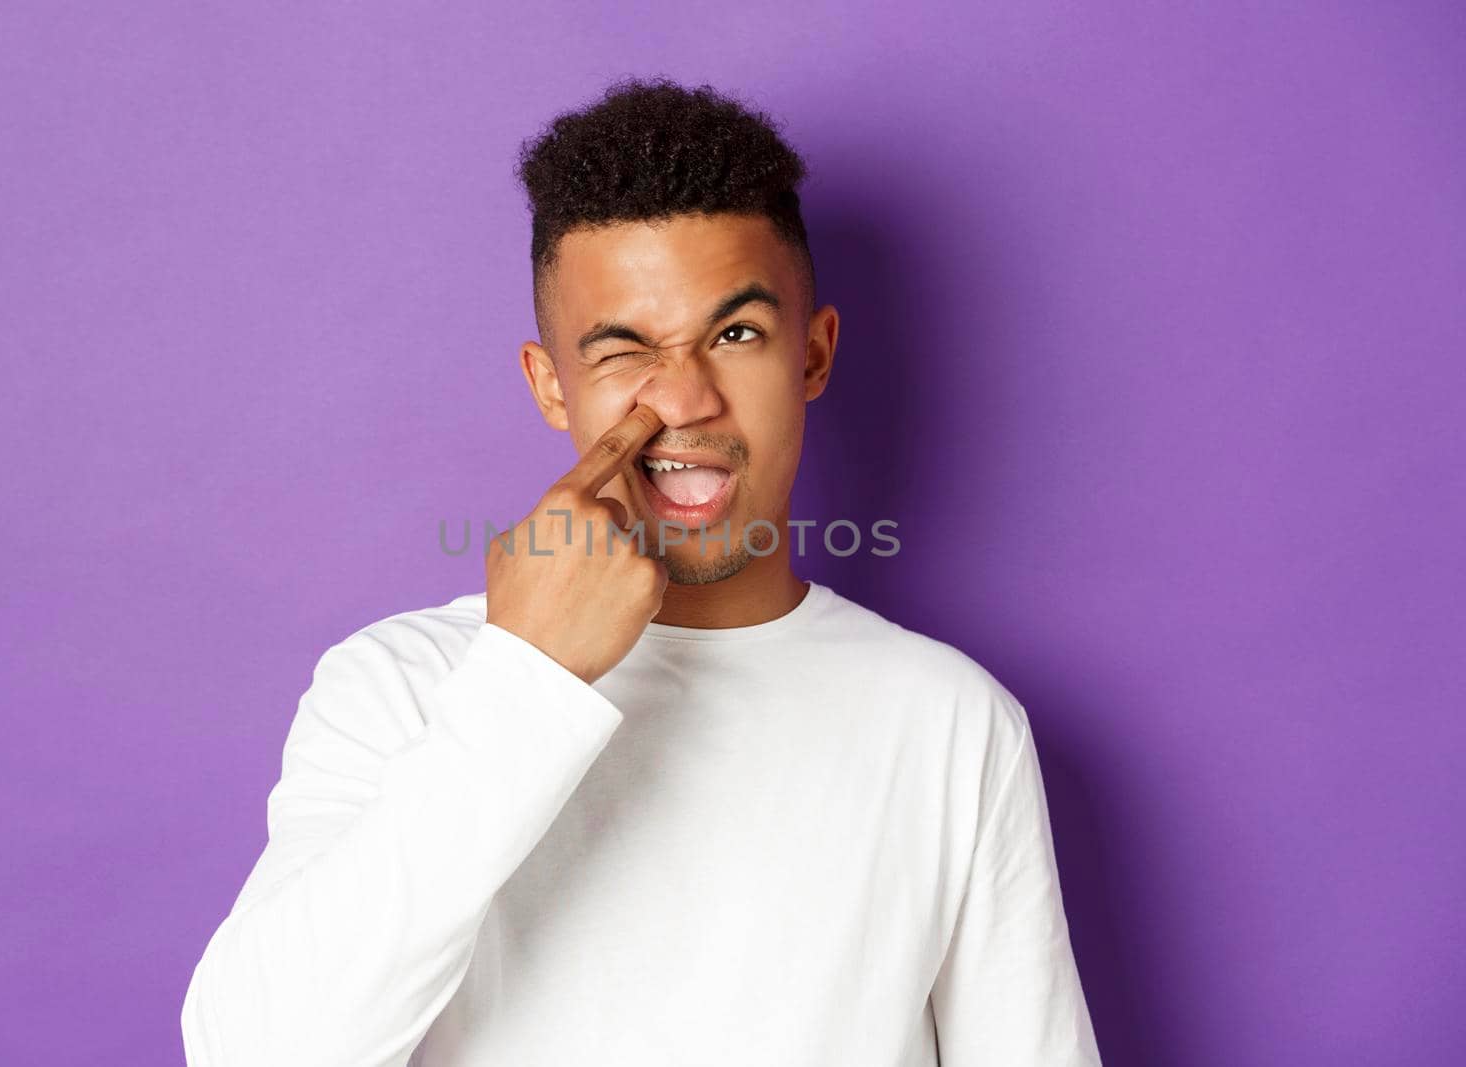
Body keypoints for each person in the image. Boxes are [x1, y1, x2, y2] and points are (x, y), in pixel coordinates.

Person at [180, 75, 1102, 1067]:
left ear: (814, 355)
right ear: (549, 386)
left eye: (735, 334)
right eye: (623, 350)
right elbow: (254, 1050)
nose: (683, 397)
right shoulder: (401, 682)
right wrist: (527, 674)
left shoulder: (948, 720)